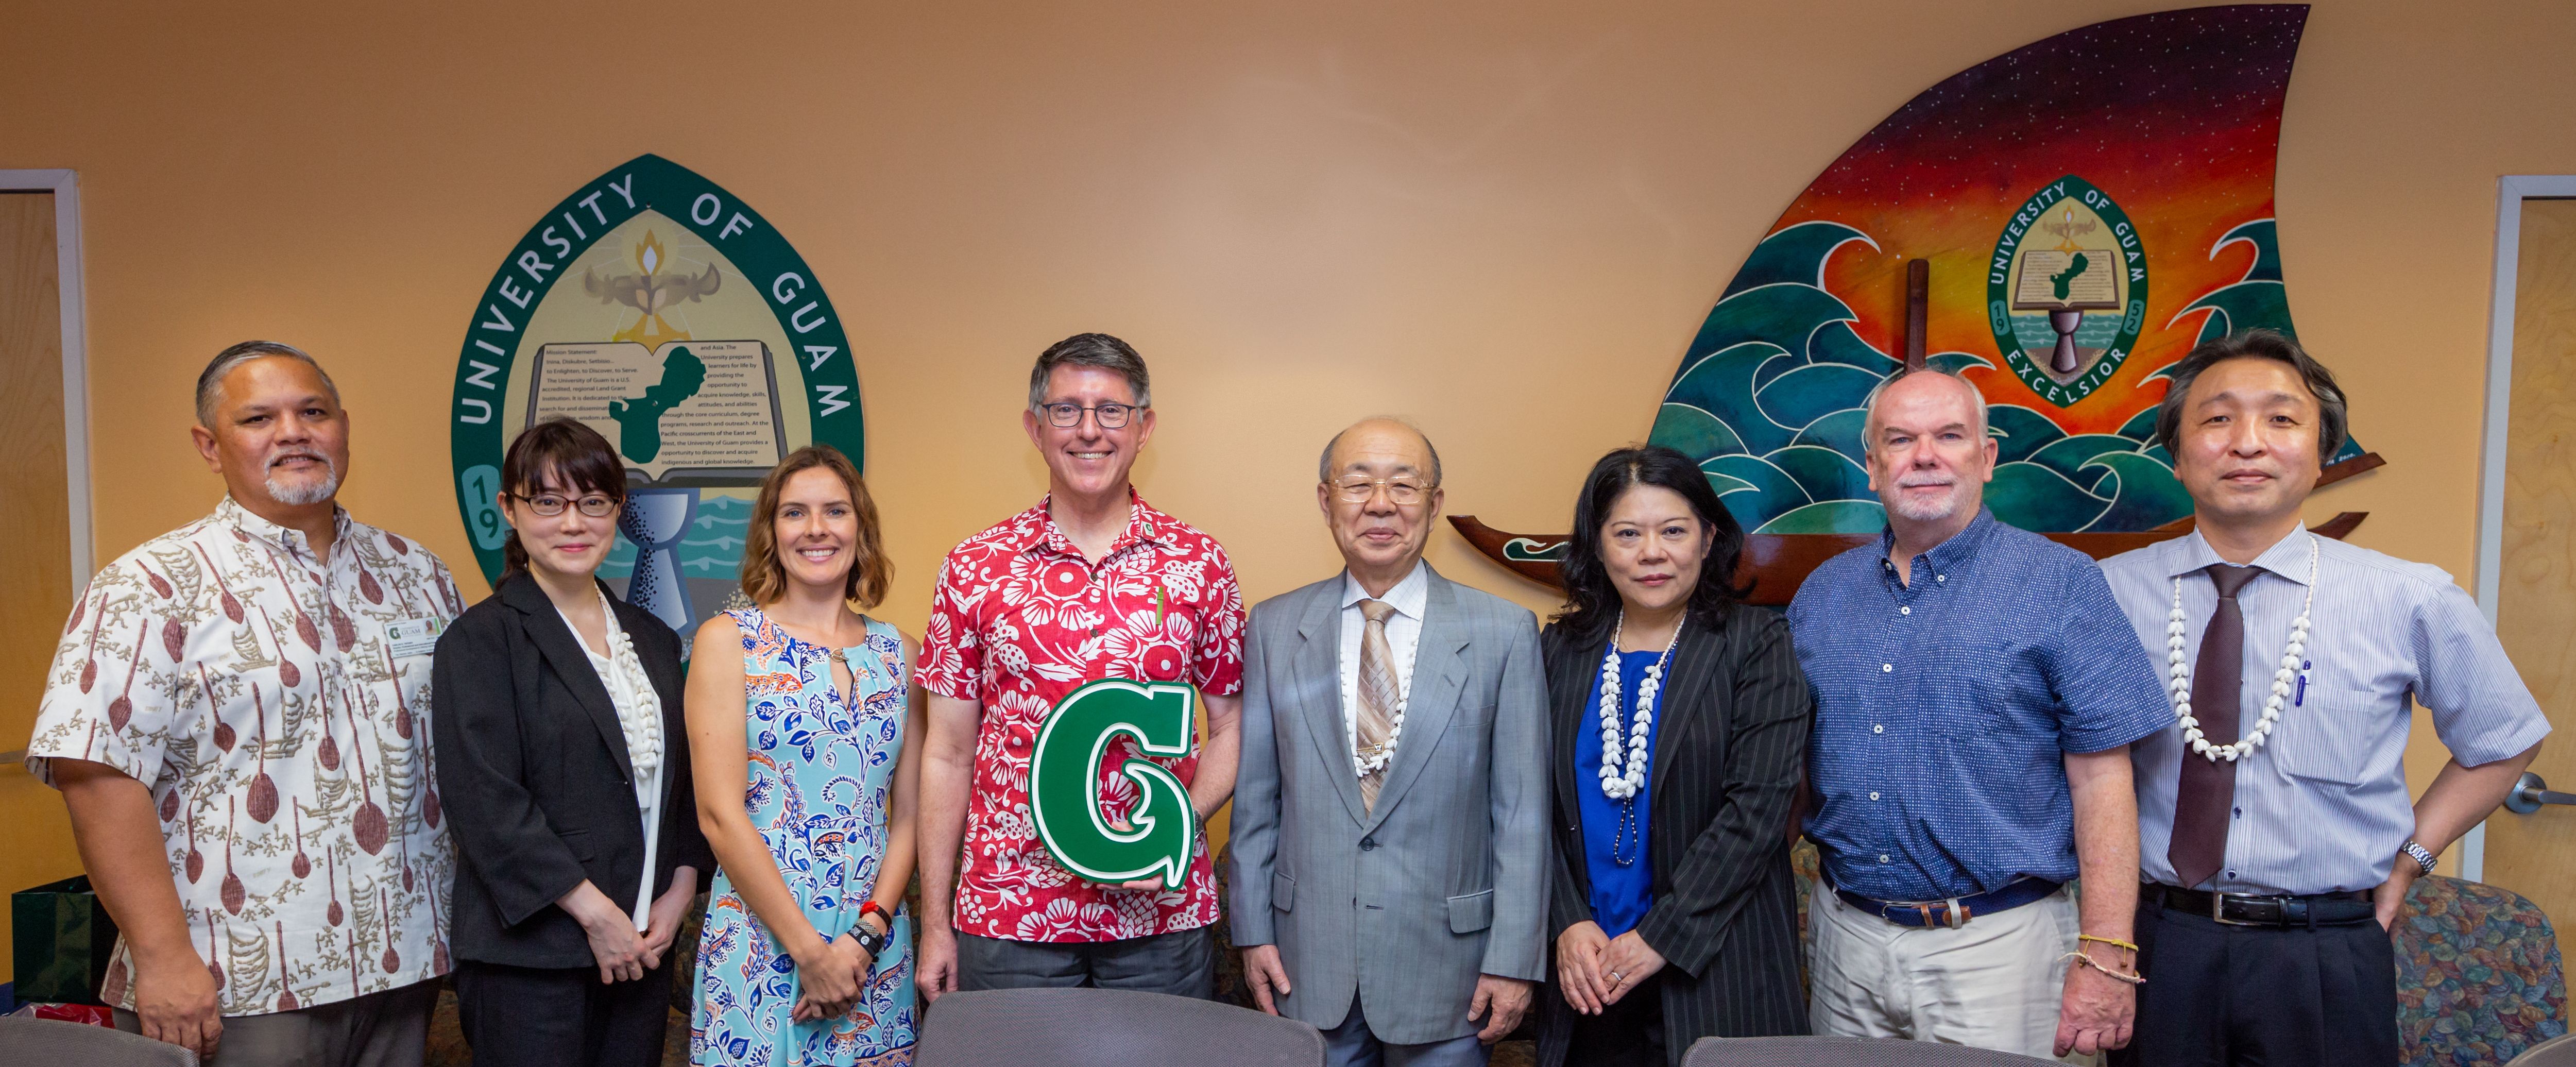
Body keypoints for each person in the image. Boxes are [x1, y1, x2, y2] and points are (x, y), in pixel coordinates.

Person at [2099, 330, 2548, 1066]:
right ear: (2177, 455)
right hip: (2159, 942)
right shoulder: (2108, 595)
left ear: (2321, 452)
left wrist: (2410, 859)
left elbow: (2503, 739)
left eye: (2281, 419)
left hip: (2326, 952)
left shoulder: (2408, 595)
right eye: (2216, 419)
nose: (2247, 442)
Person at [24, 341, 463, 1065]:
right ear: (210, 444)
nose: (293, 431)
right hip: (235, 984)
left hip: (405, 960)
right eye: (260, 417)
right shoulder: (149, 584)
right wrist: (163, 959)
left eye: (313, 411)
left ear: (343, 427)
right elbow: (97, 776)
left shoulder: (416, 573)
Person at [1787, 366, 2171, 1061]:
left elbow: (2103, 780)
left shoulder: (2062, 581)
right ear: (1871, 465)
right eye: (1900, 439)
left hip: (2002, 946)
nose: (1924, 455)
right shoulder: (1821, 594)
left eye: (1949, 435)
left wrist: (2108, 952)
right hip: (1847, 937)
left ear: (1986, 457)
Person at [915, 332, 1246, 1001]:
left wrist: (1174, 824)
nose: (1088, 429)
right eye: (1066, 409)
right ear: (1035, 427)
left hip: (1159, 914)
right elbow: (946, 753)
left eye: (1111, 410)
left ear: (1144, 427)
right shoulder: (974, 566)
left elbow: (1232, 725)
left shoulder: (1199, 563)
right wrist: (934, 922)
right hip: (1010, 911)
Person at [1227, 418, 1548, 1065]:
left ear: (1433, 505)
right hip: (1305, 963)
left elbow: (1521, 816)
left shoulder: (1504, 633)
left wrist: (1515, 960)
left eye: (1405, 485)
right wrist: (1252, 931)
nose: (1381, 503)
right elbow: (1258, 803)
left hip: (1451, 974)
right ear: (1326, 501)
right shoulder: (1274, 626)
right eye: (1359, 484)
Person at [431, 418, 712, 1067]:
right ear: (509, 508)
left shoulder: (654, 639)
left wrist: (678, 891)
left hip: (641, 949)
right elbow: (486, 802)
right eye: (548, 502)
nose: (573, 522)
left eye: (593, 502)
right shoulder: (479, 642)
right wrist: (596, 915)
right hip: (532, 959)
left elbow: (682, 782)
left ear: (617, 509)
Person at [1533, 445, 1811, 1066]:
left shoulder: (1758, 645)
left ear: (1709, 538)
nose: (1651, 552)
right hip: (1587, 975)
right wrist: (1566, 920)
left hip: (1716, 965)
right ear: (1598, 545)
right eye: (1627, 533)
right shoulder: (1560, 650)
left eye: (1674, 531)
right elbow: (1526, 804)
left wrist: (1661, 935)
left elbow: (1757, 815)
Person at [685, 445, 924, 1065]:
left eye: (835, 511)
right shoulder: (727, 642)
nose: (816, 529)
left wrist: (863, 940)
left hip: (872, 946)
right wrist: (812, 954)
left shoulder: (903, 653)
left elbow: (911, 817)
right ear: (772, 531)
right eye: (795, 513)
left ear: (861, 528)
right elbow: (718, 815)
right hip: (764, 935)